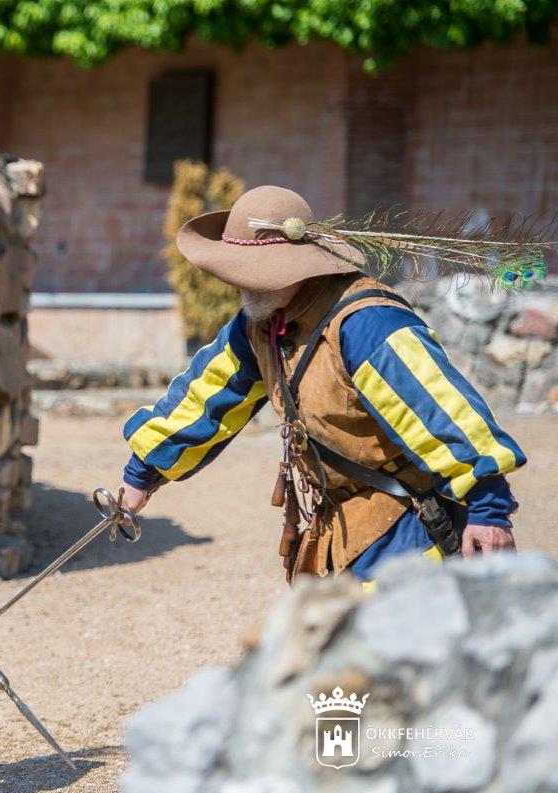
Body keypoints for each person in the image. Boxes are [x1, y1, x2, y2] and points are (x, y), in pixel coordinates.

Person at [115, 185, 525, 583]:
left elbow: (443, 413)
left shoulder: (368, 324)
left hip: (411, 528)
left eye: (253, 270)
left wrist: (488, 510)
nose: (240, 283)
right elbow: (206, 397)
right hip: (340, 527)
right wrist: (140, 476)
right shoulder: (259, 324)